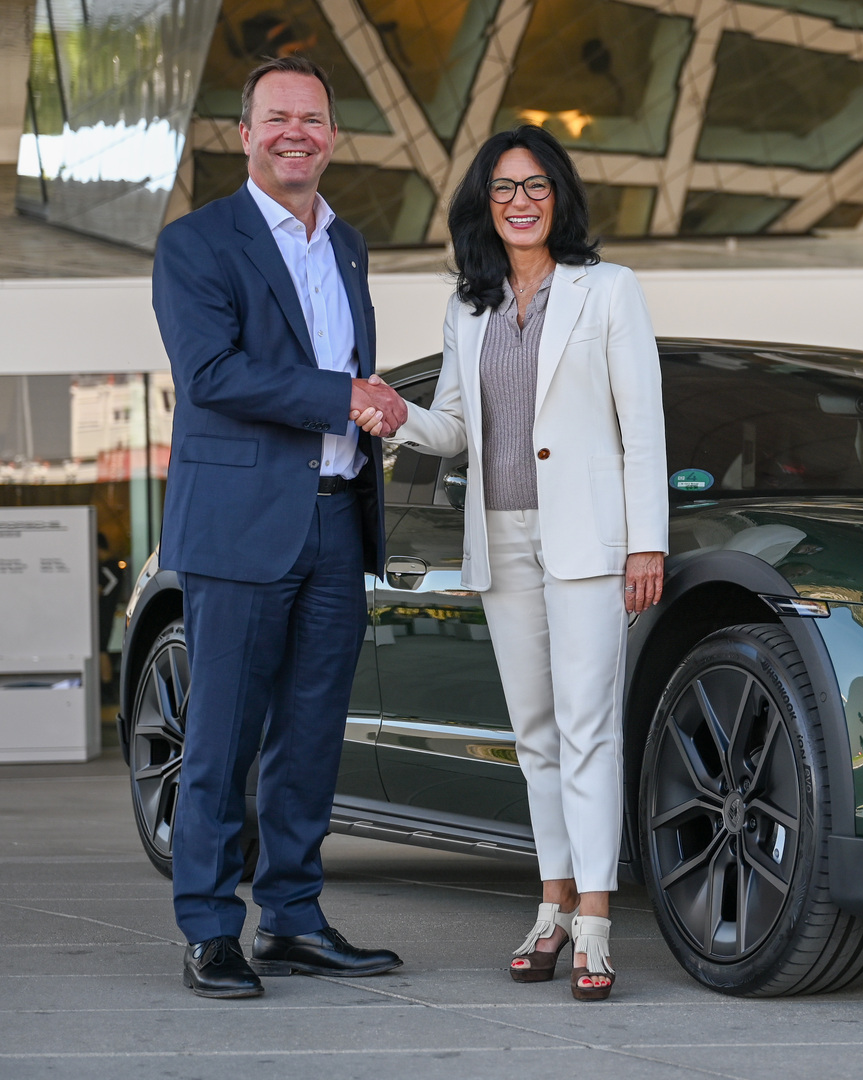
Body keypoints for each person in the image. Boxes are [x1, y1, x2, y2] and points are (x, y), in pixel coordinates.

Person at [355, 124, 666, 1002]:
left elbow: (641, 426)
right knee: (534, 737)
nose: (520, 203)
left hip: (590, 543)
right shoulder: (471, 305)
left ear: (557, 196)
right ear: (482, 207)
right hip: (503, 538)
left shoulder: (608, 291)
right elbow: (454, 427)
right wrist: (394, 413)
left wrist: (649, 540)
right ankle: (552, 905)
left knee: (587, 729)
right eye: (502, 190)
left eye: (534, 186)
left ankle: (597, 923)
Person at [151, 54, 410, 999]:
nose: (296, 131)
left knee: (310, 738)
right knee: (221, 738)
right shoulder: (196, 244)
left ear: (331, 136)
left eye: (312, 118)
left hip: (339, 521)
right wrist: (344, 396)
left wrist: (366, 407)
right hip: (242, 527)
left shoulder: (349, 244)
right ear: (245, 134)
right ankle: (211, 928)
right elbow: (211, 373)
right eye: (277, 118)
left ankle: (293, 919)